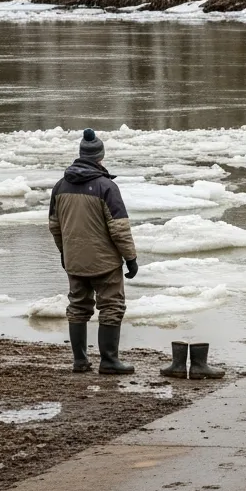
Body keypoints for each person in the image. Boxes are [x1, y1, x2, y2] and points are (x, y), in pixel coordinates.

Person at [49, 129, 139, 375]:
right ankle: (109, 361)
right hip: (105, 263)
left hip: (74, 260)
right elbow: (119, 228)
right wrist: (130, 258)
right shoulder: (106, 187)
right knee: (111, 306)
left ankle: (80, 361)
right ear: (100, 157)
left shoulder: (60, 186)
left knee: (78, 306)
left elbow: (55, 226)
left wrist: (65, 252)